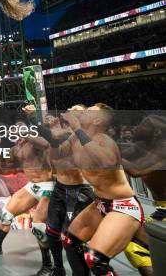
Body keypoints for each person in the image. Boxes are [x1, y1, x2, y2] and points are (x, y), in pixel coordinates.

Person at [60, 104, 144, 276]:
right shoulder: (76, 139)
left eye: (89, 110)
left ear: (97, 120)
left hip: (123, 206)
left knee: (95, 259)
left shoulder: (105, 141)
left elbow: (106, 161)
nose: (84, 111)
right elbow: (56, 152)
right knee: (70, 241)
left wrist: (76, 128)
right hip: (99, 203)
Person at [24, 104, 96, 276]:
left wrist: (33, 118)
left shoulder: (79, 134)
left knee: (73, 238)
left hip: (79, 190)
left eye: (75, 109)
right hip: (60, 188)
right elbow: (47, 140)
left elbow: (53, 140)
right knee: (52, 231)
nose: (70, 109)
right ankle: (57, 268)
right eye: (70, 108)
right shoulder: (62, 131)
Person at [0, 119, 55, 276]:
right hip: (32, 186)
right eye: (15, 129)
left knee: (38, 226)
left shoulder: (35, 144)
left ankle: (48, 264)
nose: (17, 131)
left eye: (21, 128)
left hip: (48, 186)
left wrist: (26, 133)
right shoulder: (15, 149)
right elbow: (4, 167)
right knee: (5, 213)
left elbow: (46, 144)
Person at [120, 114, 166, 276]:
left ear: (156, 133)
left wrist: (107, 153)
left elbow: (136, 171)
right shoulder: (142, 146)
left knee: (138, 244)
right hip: (160, 208)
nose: (138, 126)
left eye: (144, 124)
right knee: (136, 244)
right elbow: (120, 154)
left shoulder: (162, 150)